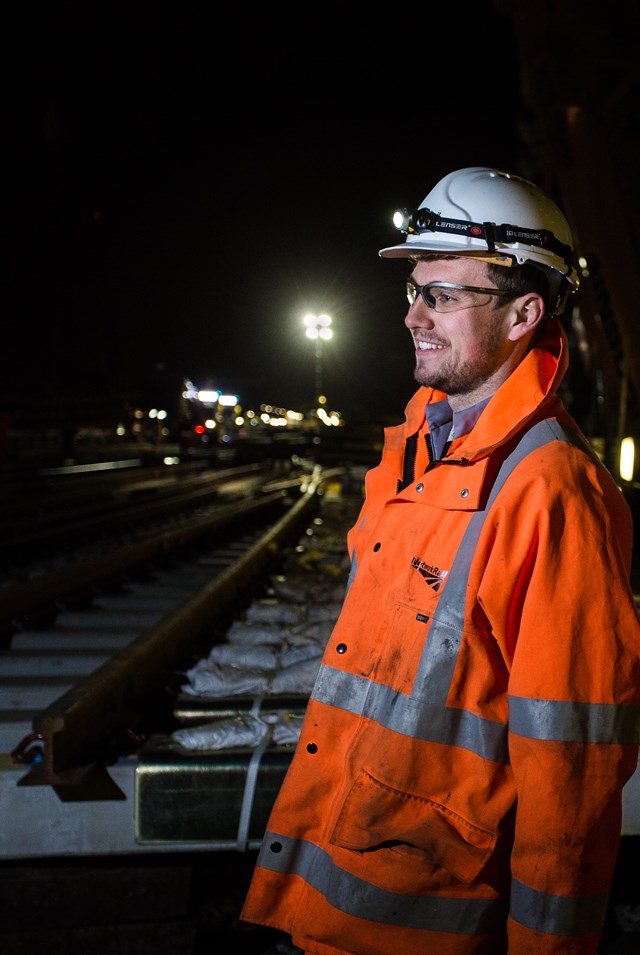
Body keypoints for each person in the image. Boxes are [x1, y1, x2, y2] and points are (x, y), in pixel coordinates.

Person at [241, 166, 640, 954]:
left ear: (526, 312)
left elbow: (572, 769)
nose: (414, 315)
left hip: (429, 921)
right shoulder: (416, 452)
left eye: (445, 296)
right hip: (333, 893)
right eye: (415, 291)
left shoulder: (551, 489)